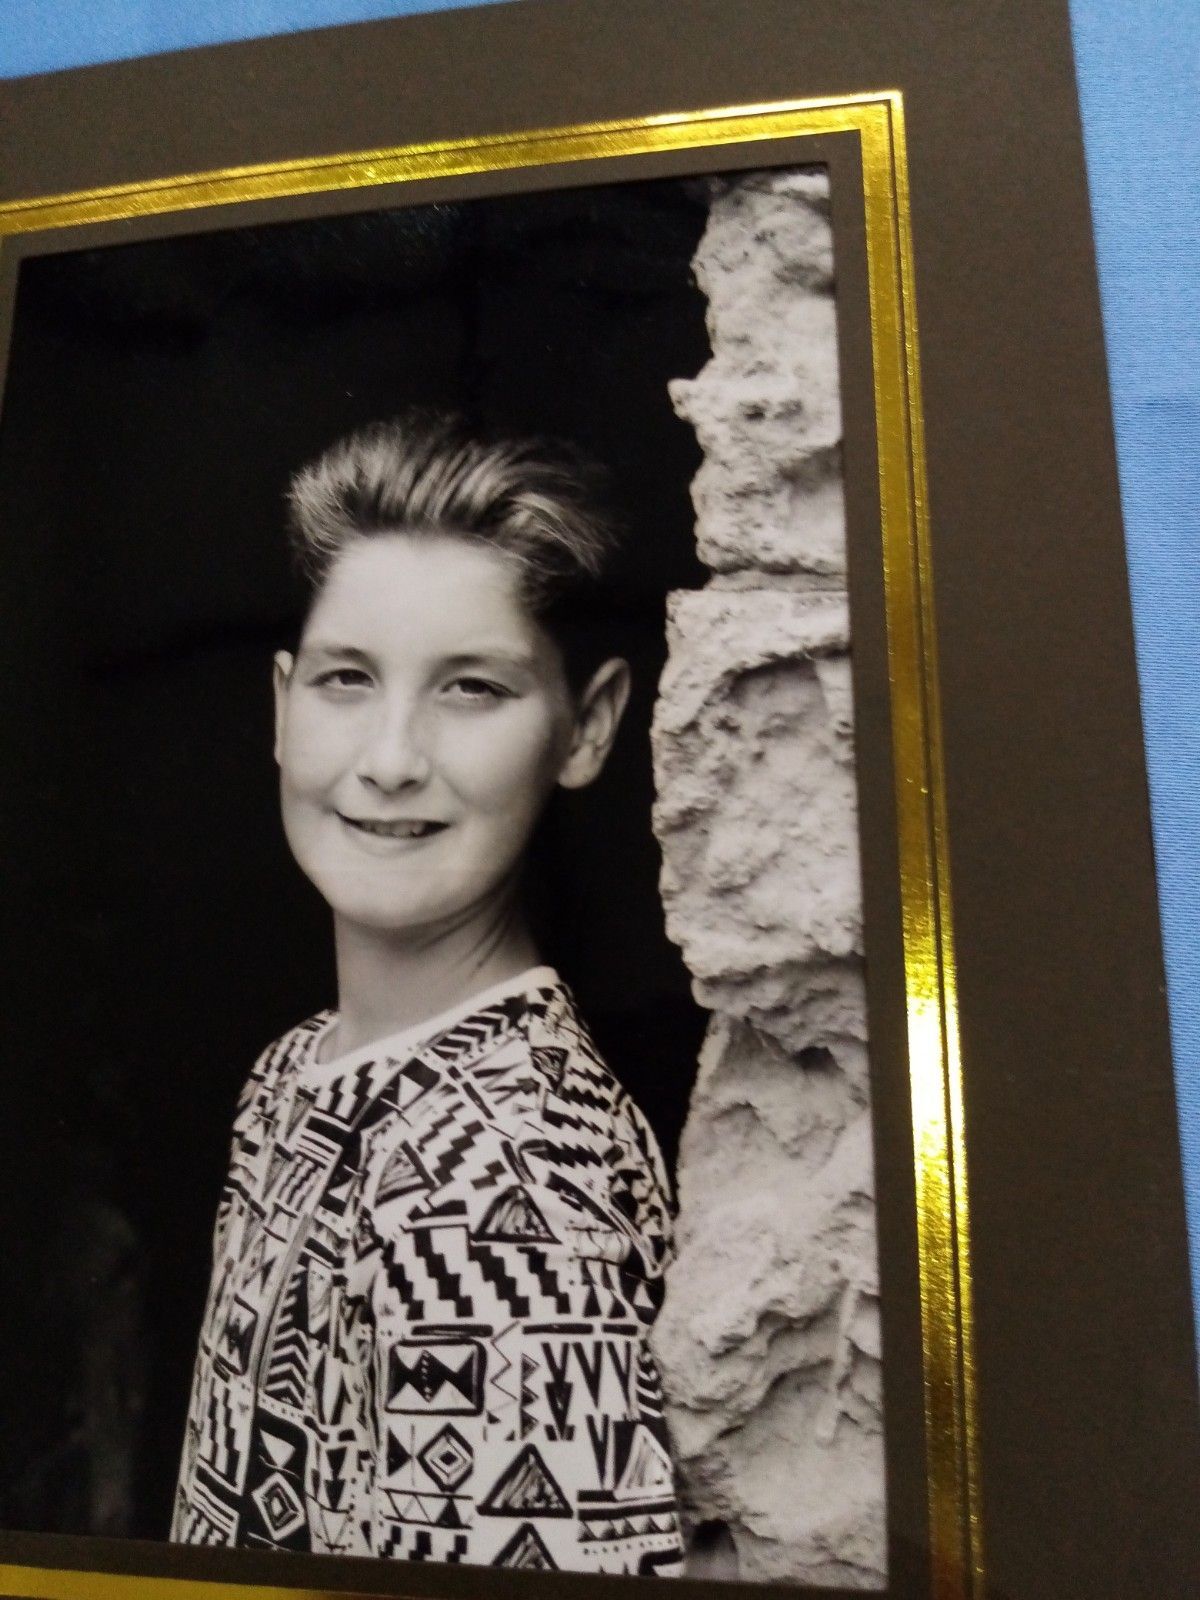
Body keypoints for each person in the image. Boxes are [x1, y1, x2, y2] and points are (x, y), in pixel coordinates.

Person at [171, 413, 684, 1575]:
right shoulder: (292, 1071)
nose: (391, 757)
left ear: (587, 726)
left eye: (471, 688)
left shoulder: (511, 1184)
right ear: (281, 705)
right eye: (349, 679)